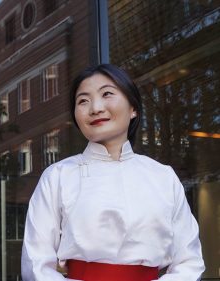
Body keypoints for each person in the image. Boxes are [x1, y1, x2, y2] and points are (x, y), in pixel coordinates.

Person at [21, 64, 205, 281]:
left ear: (133, 108)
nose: (95, 108)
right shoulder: (58, 176)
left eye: (107, 94)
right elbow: (36, 264)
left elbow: (189, 261)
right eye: (83, 101)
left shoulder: (163, 177)